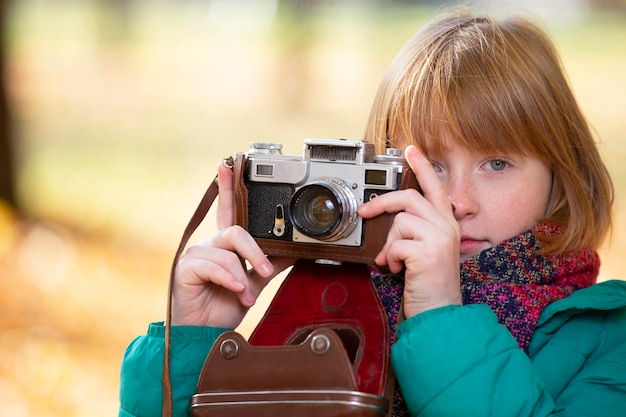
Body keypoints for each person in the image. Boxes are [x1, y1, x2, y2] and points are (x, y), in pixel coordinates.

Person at [119, 9, 626, 417]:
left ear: (561, 174)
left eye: (497, 163)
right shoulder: (324, 304)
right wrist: (192, 348)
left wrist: (440, 318)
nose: (458, 203)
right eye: (429, 166)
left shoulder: (608, 336)